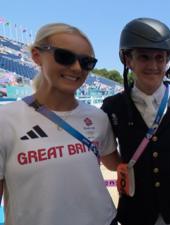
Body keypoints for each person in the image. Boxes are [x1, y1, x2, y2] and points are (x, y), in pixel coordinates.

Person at [0, 23, 120, 225]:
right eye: (64, 56)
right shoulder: (6, 120)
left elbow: (115, 164)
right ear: (37, 56)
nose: (76, 68)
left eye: (86, 62)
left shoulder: (98, 117)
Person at [101, 17, 170, 225]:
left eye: (160, 58)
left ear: (167, 61)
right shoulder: (112, 107)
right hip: (135, 206)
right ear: (128, 60)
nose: (153, 65)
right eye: (144, 57)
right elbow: (110, 161)